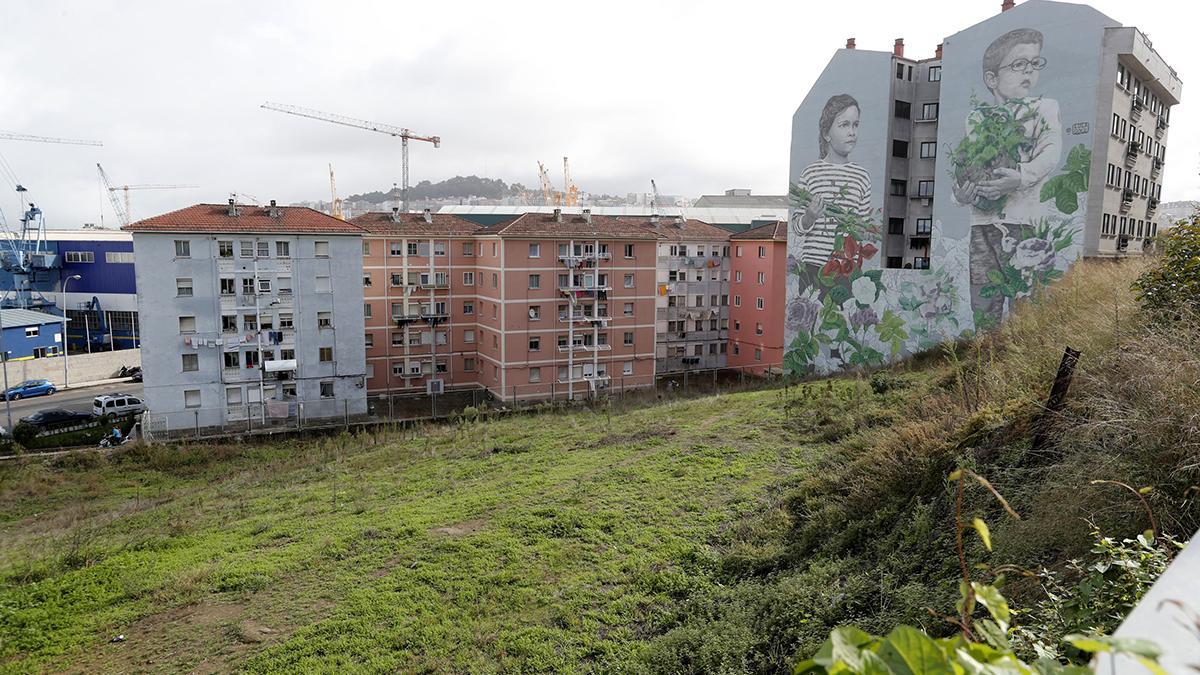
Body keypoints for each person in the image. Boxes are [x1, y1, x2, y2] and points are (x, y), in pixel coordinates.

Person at [952, 27, 1061, 329]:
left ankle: (1016, 365)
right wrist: (960, 194)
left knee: (1024, 303)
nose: (1028, 71)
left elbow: (1051, 153)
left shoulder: (1044, 108)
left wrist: (1021, 176)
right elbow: (964, 163)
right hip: (981, 225)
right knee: (983, 300)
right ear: (991, 79)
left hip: (1023, 222)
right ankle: (984, 365)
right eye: (1018, 64)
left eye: (1034, 63)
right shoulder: (976, 118)